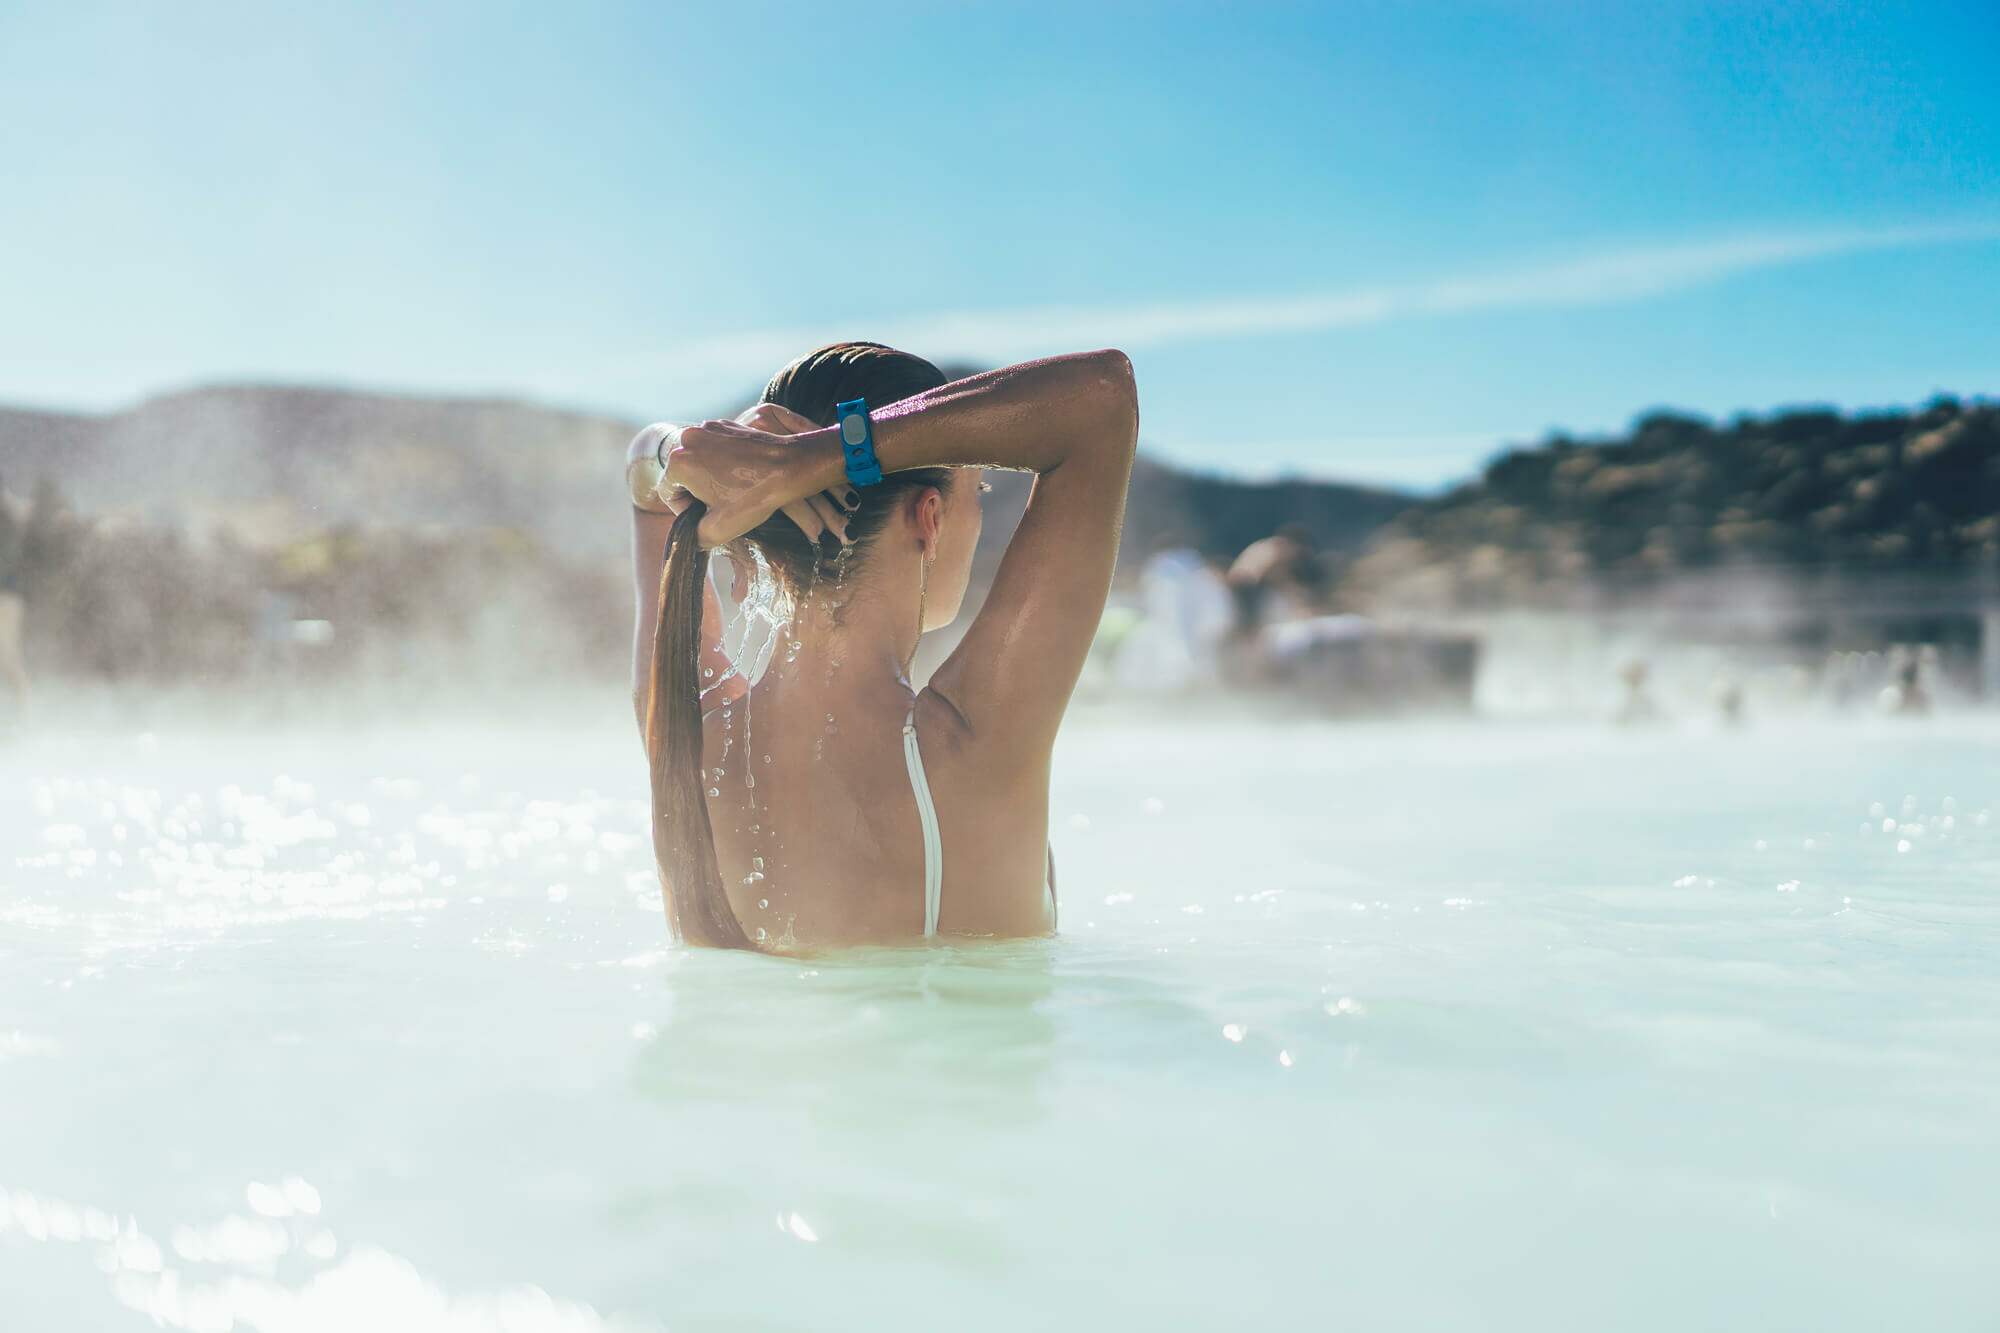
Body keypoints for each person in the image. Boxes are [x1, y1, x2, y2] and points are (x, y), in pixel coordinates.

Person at [626, 343, 1139, 950]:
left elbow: (643, 474)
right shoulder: (969, 747)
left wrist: (683, 448)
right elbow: (1102, 398)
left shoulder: (683, 726)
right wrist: (819, 457)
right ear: (929, 516)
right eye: (978, 491)